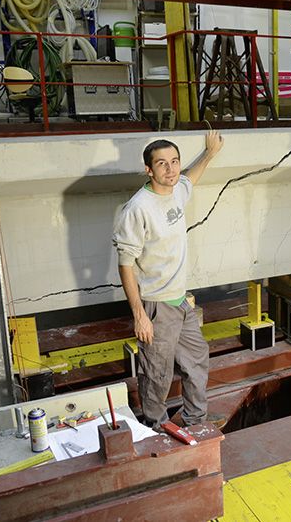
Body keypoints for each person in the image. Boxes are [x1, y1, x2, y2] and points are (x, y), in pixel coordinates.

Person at [113, 131, 224, 429]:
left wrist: (209, 153)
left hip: (180, 301)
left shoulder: (176, 190)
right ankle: (155, 427)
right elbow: (125, 264)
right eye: (162, 164)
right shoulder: (138, 209)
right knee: (156, 374)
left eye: (174, 161)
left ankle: (195, 418)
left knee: (197, 360)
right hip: (156, 306)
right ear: (149, 170)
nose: (171, 169)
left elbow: (191, 177)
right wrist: (140, 316)